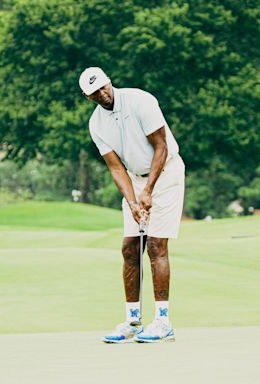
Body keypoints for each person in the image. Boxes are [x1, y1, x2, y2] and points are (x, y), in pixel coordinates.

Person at [79, 67, 185, 342]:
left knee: (155, 245)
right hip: (135, 180)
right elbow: (116, 169)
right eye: (95, 93)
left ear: (109, 82)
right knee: (130, 247)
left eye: (103, 87)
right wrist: (133, 200)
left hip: (166, 172)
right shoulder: (96, 124)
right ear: (87, 96)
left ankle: (163, 321)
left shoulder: (140, 101)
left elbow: (161, 146)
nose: (102, 94)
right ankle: (133, 320)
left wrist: (148, 191)